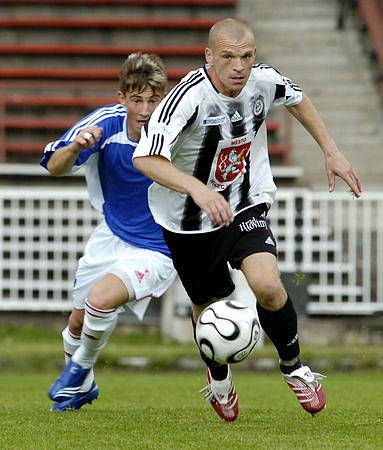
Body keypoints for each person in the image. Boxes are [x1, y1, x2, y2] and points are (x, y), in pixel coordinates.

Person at [133, 18, 362, 422]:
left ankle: (294, 368)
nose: (239, 66)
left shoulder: (263, 81)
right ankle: (219, 377)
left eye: (246, 56)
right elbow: (145, 158)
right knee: (206, 303)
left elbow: (297, 98)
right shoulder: (185, 99)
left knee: (269, 286)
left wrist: (331, 150)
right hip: (187, 218)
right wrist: (197, 189)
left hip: (243, 203)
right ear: (209, 56)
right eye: (227, 57)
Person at [40, 53, 177, 412]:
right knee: (76, 323)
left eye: (153, 99)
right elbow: (54, 167)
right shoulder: (106, 123)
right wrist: (77, 145)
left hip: (158, 247)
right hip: (110, 234)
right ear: (122, 98)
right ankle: (82, 387)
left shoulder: (178, 128)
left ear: (164, 97)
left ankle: (78, 370)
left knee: (100, 300)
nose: (146, 109)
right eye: (137, 100)